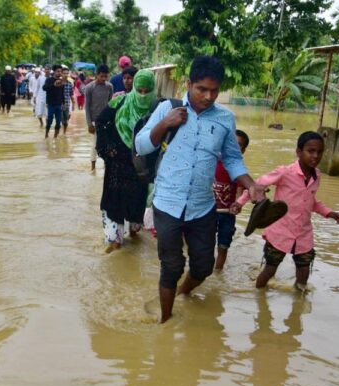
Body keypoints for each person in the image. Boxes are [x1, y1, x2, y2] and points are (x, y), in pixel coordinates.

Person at [134, 56, 266, 323]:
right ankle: (166, 321)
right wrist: (165, 124)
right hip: (168, 203)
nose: (208, 96)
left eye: (214, 90)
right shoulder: (167, 109)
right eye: (202, 89)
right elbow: (141, 146)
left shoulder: (225, 119)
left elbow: (231, 159)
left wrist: (251, 185)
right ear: (189, 83)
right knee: (171, 265)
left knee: (204, 266)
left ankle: (183, 292)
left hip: (202, 206)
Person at [231, 131, 339, 291]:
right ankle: (258, 298)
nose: (315, 156)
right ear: (298, 152)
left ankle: (297, 308)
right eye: (310, 151)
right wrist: (239, 203)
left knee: (304, 273)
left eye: (319, 152)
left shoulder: (317, 175)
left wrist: (328, 212)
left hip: (303, 234)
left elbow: (311, 201)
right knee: (269, 270)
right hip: (280, 232)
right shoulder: (285, 172)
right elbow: (256, 186)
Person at [98, 70, 156, 251]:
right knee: (115, 202)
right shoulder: (119, 102)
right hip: (117, 164)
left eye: (147, 91)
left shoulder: (157, 109)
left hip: (140, 168)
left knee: (136, 203)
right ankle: (115, 242)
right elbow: (100, 122)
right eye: (140, 90)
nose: (143, 95)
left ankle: (133, 232)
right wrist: (107, 149)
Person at [213, 129, 249, 270]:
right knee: (205, 244)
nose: (233, 146)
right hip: (207, 211)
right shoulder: (212, 161)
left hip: (227, 214)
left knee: (223, 245)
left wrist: (237, 204)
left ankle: (217, 272)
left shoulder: (239, 170)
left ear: (243, 150)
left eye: (238, 144)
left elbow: (240, 191)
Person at [84, 64, 113, 170]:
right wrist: (89, 124)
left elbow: (111, 103)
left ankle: (107, 165)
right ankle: (93, 167)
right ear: (97, 75)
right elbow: (86, 107)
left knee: (108, 143)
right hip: (95, 121)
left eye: (106, 76)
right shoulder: (89, 87)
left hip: (107, 120)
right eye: (101, 76)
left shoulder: (109, 86)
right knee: (95, 144)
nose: (103, 79)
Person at [43, 64, 66, 139]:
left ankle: (55, 138)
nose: (59, 73)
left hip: (59, 104)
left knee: (58, 122)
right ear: (54, 72)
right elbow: (44, 88)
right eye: (58, 71)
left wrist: (64, 103)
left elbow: (62, 93)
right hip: (51, 104)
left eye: (60, 71)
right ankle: (46, 134)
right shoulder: (49, 80)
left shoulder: (62, 81)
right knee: (49, 120)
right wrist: (54, 85)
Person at [61, 66, 75, 134]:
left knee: (66, 121)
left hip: (67, 104)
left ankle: (64, 133)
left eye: (67, 73)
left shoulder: (70, 84)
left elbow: (71, 95)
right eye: (64, 73)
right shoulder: (58, 83)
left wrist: (73, 104)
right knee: (59, 120)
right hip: (59, 105)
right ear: (61, 74)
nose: (65, 75)